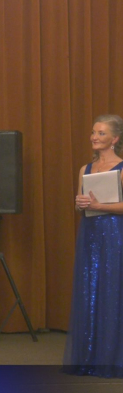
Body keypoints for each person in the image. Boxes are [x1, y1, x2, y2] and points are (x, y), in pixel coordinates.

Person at [64, 114, 123, 378]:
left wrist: (100, 206)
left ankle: (112, 357)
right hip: (89, 235)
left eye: (101, 133)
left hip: (114, 236)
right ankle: (89, 356)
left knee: (112, 292)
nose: (94, 137)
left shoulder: (121, 168)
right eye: (93, 132)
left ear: (115, 139)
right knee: (90, 291)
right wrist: (80, 204)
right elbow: (80, 205)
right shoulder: (85, 169)